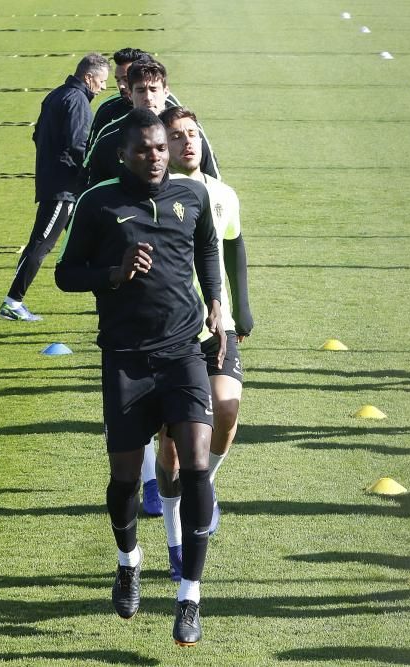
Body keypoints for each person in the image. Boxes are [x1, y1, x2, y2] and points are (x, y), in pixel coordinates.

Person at [55, 108, 224, 647]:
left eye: (160, 148)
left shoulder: (192, 196)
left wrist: (216, 302)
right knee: (126, 480)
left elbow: (206, 247)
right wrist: (114, 272)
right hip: (126, 358)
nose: (155, 157)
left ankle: (189, 598)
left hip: (183, 354)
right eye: (144, 150)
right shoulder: (99, 202)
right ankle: (129, 561)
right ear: (123, 155)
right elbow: (64, 274)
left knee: (197, 467)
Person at [156, 105, 254, 581]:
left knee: (227, 408)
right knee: (172, 449)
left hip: (217, 325)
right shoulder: (155, 196)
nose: (187, 143)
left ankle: (207, 487)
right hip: (170, 333)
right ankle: (175, 536)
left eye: (192, 134)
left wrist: (242, 307)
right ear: (165, 147)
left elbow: (233, 247)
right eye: (177, 137)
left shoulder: (223, 194)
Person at [0, 53, 109, 321]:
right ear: (88, 77)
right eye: (102, 81)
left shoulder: (56, 94)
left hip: (56, 182)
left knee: (90, 240)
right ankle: (13, 301)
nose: (104, 87)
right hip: (64, 188)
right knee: (41, 244)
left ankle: (106, 297)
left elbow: (38, 135)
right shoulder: (78, 101)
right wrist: (94, 169)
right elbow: (78, 144)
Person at [83, 58, 220, 189]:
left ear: (166, 92)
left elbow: (214, 182)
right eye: (141, 90)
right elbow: (90, 190)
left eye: (154, 89)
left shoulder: (189, 132)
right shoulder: (109, 138)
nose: (148, 98)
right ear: (130, 94)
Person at [86, 47, 152, 152]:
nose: (121, 86)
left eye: (126, 79)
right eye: (118, 80)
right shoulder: (107, 110)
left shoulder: (168, 106)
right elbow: (91, 153)